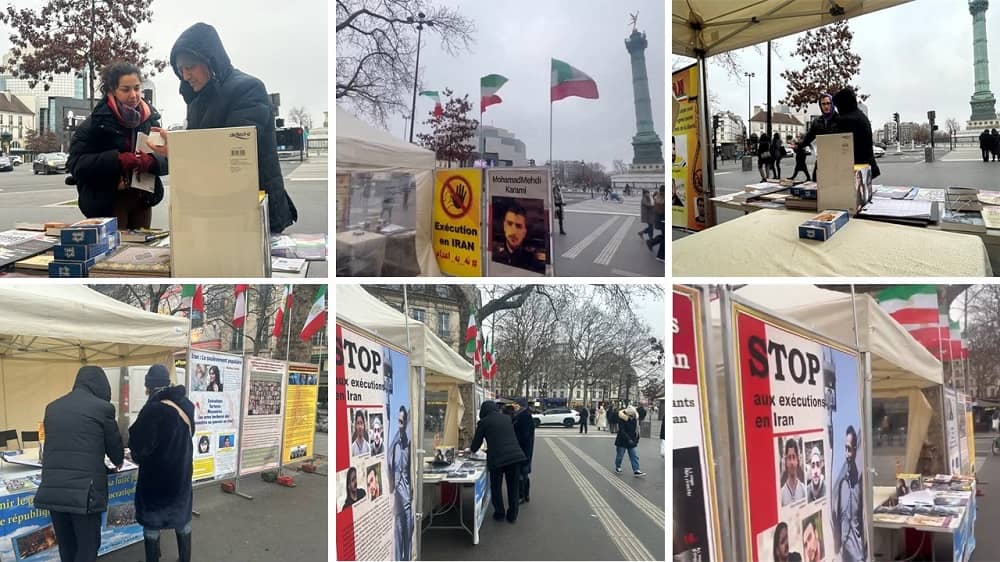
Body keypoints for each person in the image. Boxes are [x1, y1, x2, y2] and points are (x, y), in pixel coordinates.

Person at [166, 23, 298, 233]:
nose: (185, 75)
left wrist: (177, 149)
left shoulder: (247, 88)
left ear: (210, 60)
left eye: (189, 67)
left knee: (248, 265)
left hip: (251, 207)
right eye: (180, 70)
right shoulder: (197, 99)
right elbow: (200, 151)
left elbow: (234, 150)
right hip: (217, 207)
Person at [34, 366, 125, 562]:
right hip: (85, 494)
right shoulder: (103, 408)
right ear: (102, 386)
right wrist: (117, 462)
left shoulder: (52, 408)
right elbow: (116, 451)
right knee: (87, 547)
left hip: (54, 490)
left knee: (67, 547)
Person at [68, 61, 166, 229]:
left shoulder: (151, 121)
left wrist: (152, 162)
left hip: (142, 201)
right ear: (112, 90)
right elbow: (76, 165)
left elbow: (170, 159)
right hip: (108, 203)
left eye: (137, 88)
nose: (134, 95)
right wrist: (117, 160)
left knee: (141, 253)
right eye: (126, 90)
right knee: (116, 254)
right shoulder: (94, 125)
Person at [128, 365, 195, 562]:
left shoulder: (153, 410)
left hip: (156, 483)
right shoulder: (186, 405)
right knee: (182, 521)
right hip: (181, 477)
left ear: (149, 386)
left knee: (152, 526)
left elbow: (139, 450)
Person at [470, 401, 527, 523]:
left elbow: (475, 446)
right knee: (513, 487)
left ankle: (499, 513)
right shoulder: (507, 418)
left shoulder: (484, 422)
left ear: (483, 411)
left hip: (497, 459)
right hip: (516, 456)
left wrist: (472, 450)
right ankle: (512, 515)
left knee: (496, 487)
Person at [833, 425, 865, 561]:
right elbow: (838, 521)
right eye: (845, 449)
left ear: (855, 450)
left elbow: (863, 522)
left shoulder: (861, 483)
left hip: (858, 556)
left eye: (850, 449)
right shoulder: (841, 485)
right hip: (845, 557)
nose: (847, 454)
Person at [832, 88, 878, 178]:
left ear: (842, 105)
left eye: (837, 107)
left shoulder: (846, 120)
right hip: (866, 167)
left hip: (855, 170)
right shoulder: (860, 116)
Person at [388, 406, 413, 560]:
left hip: (408, 500)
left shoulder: (409, 444)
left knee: (408, 538)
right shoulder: (395, 444)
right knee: (398, 534)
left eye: (402, 422)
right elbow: (391, 467)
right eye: (398, 421)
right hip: (398, 499)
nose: (400, 425)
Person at [493, 201, 544, 273]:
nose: (513, 232)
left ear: (524, 232)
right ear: (504, 226)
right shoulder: (495, 256)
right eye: (509, 224)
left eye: (518, 226)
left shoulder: (533, 262)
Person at [797, 93, 839, 181]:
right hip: (822, 158)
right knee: (816, 180)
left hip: (837, 158)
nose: (826, 106)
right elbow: (808, 138)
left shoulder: (840, 119)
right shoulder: (817, 122)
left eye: (828, 103)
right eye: (823, 104)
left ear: (832, 104)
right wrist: (798, 145)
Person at [511, 398, 535, 503]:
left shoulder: (523, 416)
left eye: (515, 404)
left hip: (522, 450)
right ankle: (526, 495)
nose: (514, 406)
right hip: (526, 449)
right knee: (524, 473)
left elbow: (523, 436)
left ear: (520, 405)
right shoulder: (525, 415)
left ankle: (521, 496)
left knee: (521, 474)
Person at [613, 405, 645, 476]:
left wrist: (636, 440)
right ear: (628, 414)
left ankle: (636, 469)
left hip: (631, 441)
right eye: (632, 415)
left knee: (634, 456)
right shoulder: (622, 419)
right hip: (622, 441)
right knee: (620, 456)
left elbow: (637, 430)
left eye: (634, 415)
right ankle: (618, 466)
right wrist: (628, 439)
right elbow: (622, 431)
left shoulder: (635, 419)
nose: (633, 416)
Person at [780, 439, 807, 505]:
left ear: (797, 460)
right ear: (786, 461)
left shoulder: (804, 489)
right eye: (789, 458)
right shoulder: (781, 494)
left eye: (794, 457)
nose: (792, 462)